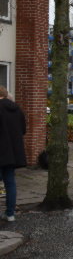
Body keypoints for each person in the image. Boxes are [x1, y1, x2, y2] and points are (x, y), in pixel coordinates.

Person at [0, 86, 26, 221]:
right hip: (12, 154)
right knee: (10, 183)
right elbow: (23, 130)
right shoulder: (17, 109)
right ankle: (10, 214)